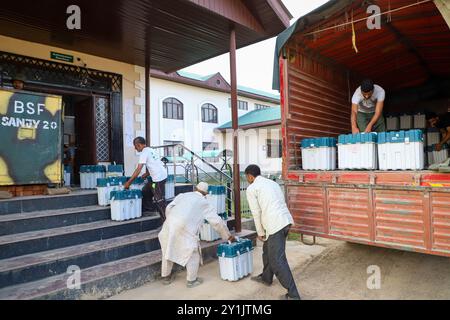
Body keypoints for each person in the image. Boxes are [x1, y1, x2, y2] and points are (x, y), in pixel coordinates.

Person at [158, 182, 236, 288]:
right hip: (185, 230)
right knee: (193, 253)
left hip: (168, 226)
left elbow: (169, 207)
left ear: (195, 188)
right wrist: (228, 236)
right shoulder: (204, 203)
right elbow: (217, 222)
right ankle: (192, 281)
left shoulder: (183, 195)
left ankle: (166, 277)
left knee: (168, 250)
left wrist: (171, 220)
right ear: (206, 194)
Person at [245, 165, 301, 300]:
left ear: (250, 176)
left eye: (246, 177)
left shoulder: (252, 188)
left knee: (277, 261)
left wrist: (259, 231)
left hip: (275, 225)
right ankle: (266, 277)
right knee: (267, 250)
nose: (246, 179)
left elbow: (256, 212)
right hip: (285, 221)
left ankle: (293, 295)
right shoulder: (272, 183)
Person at [124, 137, 168, 220]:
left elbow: (138, 169)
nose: (135, 148)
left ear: (139, 145)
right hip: (159, 176)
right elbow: (155, 163)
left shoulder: (144, 152)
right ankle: (150, 209)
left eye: (135, 146)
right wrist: (147, 173)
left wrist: (128, 183)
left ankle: (166, 221)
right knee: (145, 191)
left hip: (158, 179)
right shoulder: (150, 150)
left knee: (159, 199)